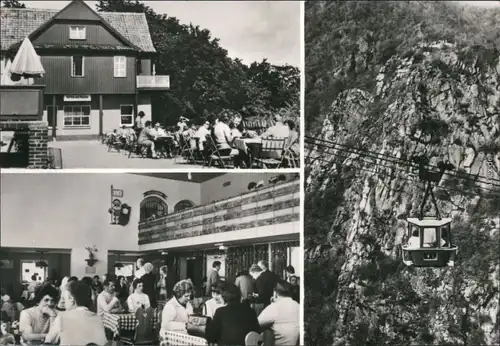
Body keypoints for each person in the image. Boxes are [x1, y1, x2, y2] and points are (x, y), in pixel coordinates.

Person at [44, 281, 107, 345]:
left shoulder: (62, 318)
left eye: (64, 298)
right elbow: (102, 343)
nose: (62, 302)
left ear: (71, 299)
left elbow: (49, 341)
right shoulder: (97, 318)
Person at [258, 280, 300, 346]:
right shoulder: (298, 305)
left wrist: (272, 305)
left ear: (275, 293)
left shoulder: (274, 307)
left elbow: (257, 323)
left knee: (267, 330)